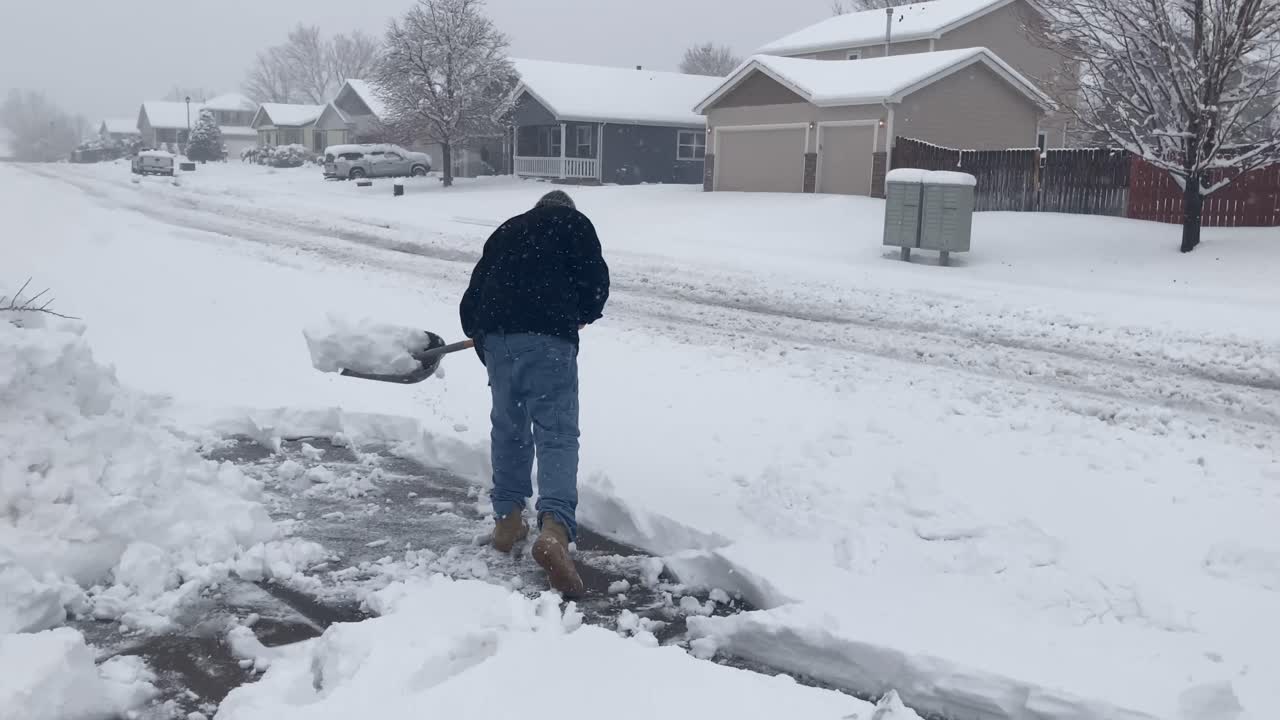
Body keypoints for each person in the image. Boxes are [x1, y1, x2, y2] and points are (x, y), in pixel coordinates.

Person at [459, 189, 609, 597]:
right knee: (556, 433)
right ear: (567, 209)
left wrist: (486, 334)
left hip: (496, 339)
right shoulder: (574, 225)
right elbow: (595, 285)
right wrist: (576, 316)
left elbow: (473, 295)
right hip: (547, 338)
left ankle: (507, 520)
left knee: (509, 429)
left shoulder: (507, 229)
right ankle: (555, 530)